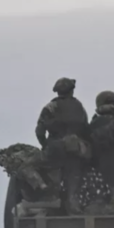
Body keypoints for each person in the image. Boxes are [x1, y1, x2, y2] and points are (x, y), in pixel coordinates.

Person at [34, 77, 91, 214]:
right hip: (75, 150)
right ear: (71, 91)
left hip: (55, 149)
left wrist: (45, 145)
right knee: (73, 179)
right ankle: (73, 206)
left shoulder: (50, 107)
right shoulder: (79, 107)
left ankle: (52, 203)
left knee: (52, 178)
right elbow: (85, 128)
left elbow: (39, 131)